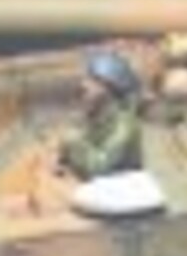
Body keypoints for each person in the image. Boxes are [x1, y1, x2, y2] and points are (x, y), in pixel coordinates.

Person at [60, 51, 143, 180]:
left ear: (110, 90)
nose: (84, 85)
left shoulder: (124, 126)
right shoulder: (94, 113)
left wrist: (74, 142)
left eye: (94, 81)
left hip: (121, 186)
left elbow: (99, 167)